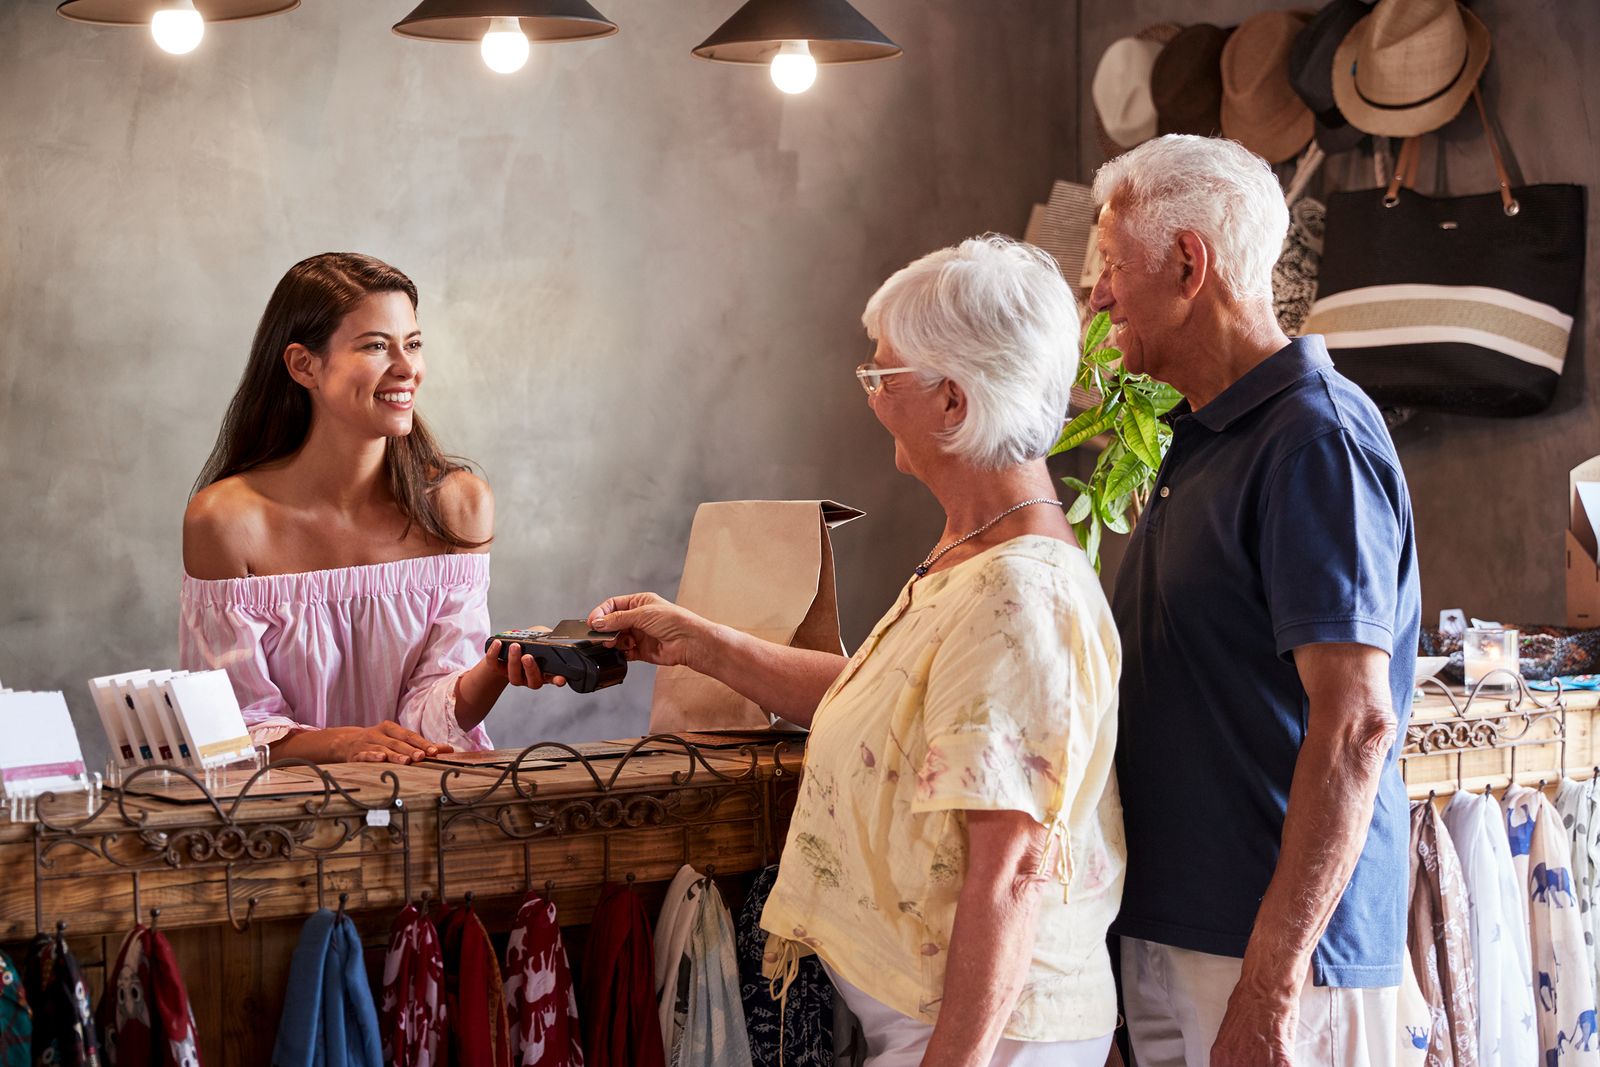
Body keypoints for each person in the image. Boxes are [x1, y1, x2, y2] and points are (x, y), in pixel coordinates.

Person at [589, 235, 1124, 1067]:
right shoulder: (973, 551)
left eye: (883, 377)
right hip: (940, 1016)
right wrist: (695, 639)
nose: (870, 399)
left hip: (992, 1034)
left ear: (954, 401)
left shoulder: (1019, 595)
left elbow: (1013, 867)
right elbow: (882, 699)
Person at [1090, 135, 1424, 1067]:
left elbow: (1356, 724)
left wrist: (1273, 982)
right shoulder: (1198, 437)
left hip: (1275, 966)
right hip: (1177, 938)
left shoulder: (1314, 438)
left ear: (1190, 264)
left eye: (1113, 267)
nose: (1097, 295)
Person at [180, 252, 560, 765]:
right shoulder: (225, 522)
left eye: (414, 344)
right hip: (279, 829)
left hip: (427, 815)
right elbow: (231, 730)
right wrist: (344, 743)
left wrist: (493, 670)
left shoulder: (459, 506)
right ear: (303, 365)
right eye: (377, 346)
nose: (407, 369)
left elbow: (431, 713)